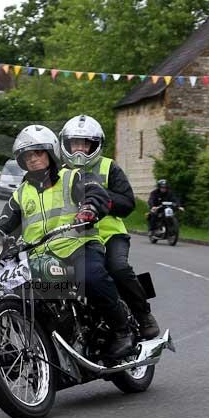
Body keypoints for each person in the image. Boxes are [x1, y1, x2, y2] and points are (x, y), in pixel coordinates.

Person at [0, 124, 135, 358]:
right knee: (20, 292)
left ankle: (122, 330)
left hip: (78, 246)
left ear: (51, 153)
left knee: (91, 276)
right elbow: (4, 225)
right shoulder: (21, 193)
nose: (33, 159)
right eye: (27, 155)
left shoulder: (72, 176)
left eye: (38, 153)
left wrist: (88, 208)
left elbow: (95, 193)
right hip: (40, 256)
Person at [59, 114, 160, 339]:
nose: (79, 150)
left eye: (85, 144)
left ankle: (143, 315)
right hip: (73, 236)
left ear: (95, 145)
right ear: (66, 144)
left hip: (109, 234)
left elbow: (128, 203)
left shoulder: (108, 167)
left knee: (118, 268)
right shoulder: (58, 173)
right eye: (74, 143)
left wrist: (101, 199)